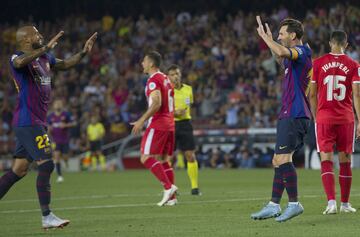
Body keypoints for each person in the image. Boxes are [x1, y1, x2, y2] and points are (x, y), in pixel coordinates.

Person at [0, 26, 97, 229]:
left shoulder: (46, 58)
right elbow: (19, 63)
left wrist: (83, 52)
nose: (40, 36)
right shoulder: (17, 57)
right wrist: (44, 48)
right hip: (28, 121)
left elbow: (66, 64)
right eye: (36, 34)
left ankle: (47, 216)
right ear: (26, 39)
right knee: (46, 164)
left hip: (36, 122)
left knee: (19, 170)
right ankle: (47, 216)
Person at [251, 16, 312, 222]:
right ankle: (274, 204)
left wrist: (266, 39)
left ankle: (294, 203)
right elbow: (279, 57)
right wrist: (270, 40)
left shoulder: (303, 52)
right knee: (277, 160)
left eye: (282, 33)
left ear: (293, 35)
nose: (279, 36)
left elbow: (280, 51)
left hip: (296, 114)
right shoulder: (291, 59)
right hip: (288, 113)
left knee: (283, 159)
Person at [309, 30, 360, 214]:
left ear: (330, 43)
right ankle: (345, 204)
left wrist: (316, 116)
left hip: (324, 118)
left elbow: (312, 94)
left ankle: (331, 203)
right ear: (346, 45)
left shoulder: (318, 63)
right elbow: (356, 94)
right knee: (345, 160)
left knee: (326, 160)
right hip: (346, 118)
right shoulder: (354, 64)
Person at [131, 51, 178, 206]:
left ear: (151, 63)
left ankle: (168, 188)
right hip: (170, 124)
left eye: (144, 61)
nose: (142, 64)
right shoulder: (165, 78)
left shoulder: (153, 80)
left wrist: (141, 120)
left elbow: (156, 103)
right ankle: (172, 199)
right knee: (163, 159)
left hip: (158, 123)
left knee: (145, 157)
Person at [167, 64, 201, 195]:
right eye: (172, 74)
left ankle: (195, 188)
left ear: (180, 75)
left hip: (186, 124)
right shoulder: (166, 91)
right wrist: (174, 112)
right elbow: (161, 110)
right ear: (168, 77)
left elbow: (189, 106)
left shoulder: (188, 89)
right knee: (169, 158)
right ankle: (170, 188)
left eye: (177, 73)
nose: (175, 76)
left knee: (190, 155)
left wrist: (182, 113)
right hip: (171, 124)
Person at [47, 98, 75, 183]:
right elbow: (47, 127)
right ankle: (60, 176)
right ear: (53, 106)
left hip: (65, 140)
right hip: (55, 140)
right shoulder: (50, 116)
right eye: (56, 103)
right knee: (57, 156)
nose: (58, 105)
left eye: (59, 103)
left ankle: (66, 161)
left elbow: (73, 123)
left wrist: (65, 125)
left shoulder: (66, 114)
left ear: (62, 105)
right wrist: (49, 129)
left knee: (65, 156)